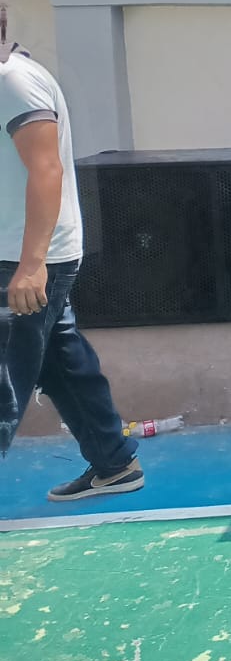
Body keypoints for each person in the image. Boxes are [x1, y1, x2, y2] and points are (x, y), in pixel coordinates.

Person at [0, 45, 143, 498]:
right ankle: (114, 463)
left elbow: (47, 170)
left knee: (5, 375)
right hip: (22, 253)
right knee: (61, 363)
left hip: (22, 259)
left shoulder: (11, 82)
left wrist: (31, 265)